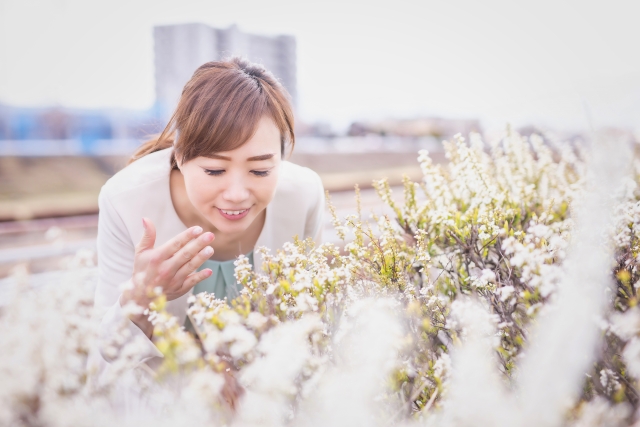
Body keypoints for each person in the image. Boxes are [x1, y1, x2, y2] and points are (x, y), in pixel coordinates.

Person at [91, 58, 325, 396]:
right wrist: (140, 299)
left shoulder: (302, 194)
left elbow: (308, 326)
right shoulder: (126, 199)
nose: (236, 194)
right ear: (180, 154)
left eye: (260, 171)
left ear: (282, 158)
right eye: (214, 170)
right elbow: (110, 355)